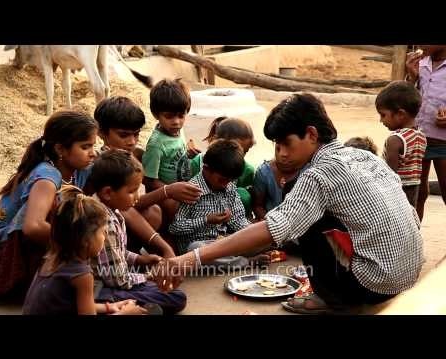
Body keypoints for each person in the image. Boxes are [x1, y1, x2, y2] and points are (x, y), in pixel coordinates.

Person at [155, 94, 424, 314]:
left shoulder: (319, 174)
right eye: (277, 145)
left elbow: (273, 227)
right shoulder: (365, 157)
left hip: (373, 286)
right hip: (408, 275)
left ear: (311, 134)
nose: (281, 153)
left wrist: (192, 257)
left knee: (299, 212)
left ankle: (329, 297)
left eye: (286, 143)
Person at [0, 111, 98, 300]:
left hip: (23, 250)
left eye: (94, 145)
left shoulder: (78, 168)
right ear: (61, 149)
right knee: (63, 211)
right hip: (5, 260)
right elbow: (33, 227)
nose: (93, 152)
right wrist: (80, 242)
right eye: (85, 146)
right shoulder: (47, 175)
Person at [93, 96, 201, 256]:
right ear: (101, 133)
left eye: (136, 135)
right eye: (123, 135)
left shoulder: (135, 155)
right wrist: (167, 191)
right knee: (154, 212)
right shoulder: (102, 165)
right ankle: (130, 256)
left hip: (130, 219)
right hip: (106, 230)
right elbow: (126, 208)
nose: (131, 141)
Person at [89, 149, 187, 314]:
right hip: (99, 289)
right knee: (175, 297)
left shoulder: (111, 209)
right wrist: (150, 276)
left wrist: (141, 259)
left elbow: (116, 252)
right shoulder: (104, 222)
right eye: (131, 191)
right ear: (107, 193)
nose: (136, 197)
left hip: (110, 279)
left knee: (165, 292)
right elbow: (117, 279)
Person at [23, 186, 148, 315]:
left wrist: (109, 307)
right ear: (86, 240)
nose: (105, 237)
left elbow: (78, 304)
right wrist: (126, 313)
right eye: (102, 232)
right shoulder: (82, 275)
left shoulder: (51, 259)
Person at [169, 140, 269, 269]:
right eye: (222, 180)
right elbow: (175, 227)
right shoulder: (191, 190)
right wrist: (206, 220)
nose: (225, 184)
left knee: (263, 236)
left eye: (230, 180)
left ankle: (234, 259)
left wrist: (257, 234)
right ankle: (245, 262)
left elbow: (238, 221)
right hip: (197, 248)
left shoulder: (229, 187)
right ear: (206, 169)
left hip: (223, 243)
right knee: (196, 248)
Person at [142, 79, 196, 222]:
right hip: (164, 194)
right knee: (176, 212)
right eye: (169, 116)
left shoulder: (177, 130)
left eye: (181, 115)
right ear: (156, 114)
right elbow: (149, 180)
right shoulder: (156, 144)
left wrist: (188, 153)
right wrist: (171, 191)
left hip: (181, 186)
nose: (176, 121)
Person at [405, 45, 446, 220]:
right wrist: (411, 78)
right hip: (418, 137)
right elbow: (405, 99)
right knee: (416, 194)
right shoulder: (419, 64)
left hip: (443, 141)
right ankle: (414, 240)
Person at [191, 116, 256, 215]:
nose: (239, 157)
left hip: (232, 214)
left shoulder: (246, 170)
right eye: (235, 149)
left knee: (243, 195)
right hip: (201, 212)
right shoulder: (198, 162)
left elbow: (243, 202)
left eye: (244, 152)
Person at [376, 80, 426, 208]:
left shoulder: (395, 140)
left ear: (400, 114)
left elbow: (389, 175)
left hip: (397, 191)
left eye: (383, 115)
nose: (381, 120)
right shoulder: (420, 135)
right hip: (414, 188)